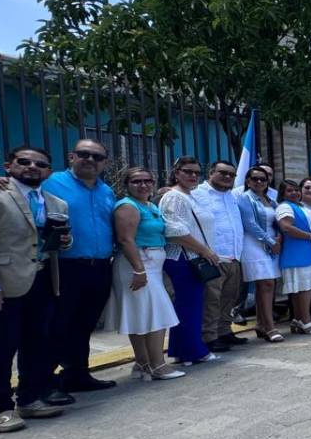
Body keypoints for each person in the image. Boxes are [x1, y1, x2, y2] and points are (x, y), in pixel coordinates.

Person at [0, 146, 70, 431]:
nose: (32, 166)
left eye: (41, 164)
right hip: (5, 283)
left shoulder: (56, 203)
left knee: (37, 343)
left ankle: (29, 399)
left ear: (48, 171)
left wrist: (63, 241)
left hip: (43, 278)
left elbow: (52, 240)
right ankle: (1, 408)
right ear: (9, 166)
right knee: (2, 346)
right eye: (24, 161)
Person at [40, 138, 118, 396]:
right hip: (65, 267)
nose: (90, 160)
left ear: (105, 163)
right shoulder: (50, 183)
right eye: (85, 154)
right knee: (58, 325)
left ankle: (77, 375)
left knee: (85, 324)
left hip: (100, 267)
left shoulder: (106, 191)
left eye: (97, 157)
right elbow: (17, 190)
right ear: (72, 156)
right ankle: (43, 383)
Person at [111, 166, 185, 381]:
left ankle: (143, 363)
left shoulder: (149, 205)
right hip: (138, 265)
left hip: (150, 266)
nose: (143, 185)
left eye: (147, 180)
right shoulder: (127, 206)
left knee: (143, 314)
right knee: (156, 315)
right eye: (136, 181)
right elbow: (126, 239)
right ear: (126, 185)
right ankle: (157, 365)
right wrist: (139, 269)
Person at [159, 157, 222, 366]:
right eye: (188, 171)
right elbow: (173, 231)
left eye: (196, 172)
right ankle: (193, 351)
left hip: (193, 257)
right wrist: (205, 251)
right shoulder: (175, 197)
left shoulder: (191, 196)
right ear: (176, 173)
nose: (193, 176)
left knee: (189, 306)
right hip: (183, 258)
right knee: (189, 307)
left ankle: (182, 350)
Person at [192, 159, 246, 353]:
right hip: (213, 257)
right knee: (211, 300)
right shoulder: (197, 194)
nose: (227, 177)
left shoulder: (232, 196)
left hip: (234, 256)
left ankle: (224, 331)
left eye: (231, 175)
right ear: (211, 173)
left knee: (229, 298)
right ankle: (209, 336)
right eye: (223, 173)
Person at [276, 177, 311, 336]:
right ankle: (306, 321)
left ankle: (298, 319)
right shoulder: (285, 207)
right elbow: (286, 227)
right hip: (298, 253)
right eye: (289, 190)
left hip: (309, 254)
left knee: (302, 288)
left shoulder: (301, 207)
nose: (294, 192)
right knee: (303, 289)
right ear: (283, 193)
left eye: (295, 190)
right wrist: (309, 236)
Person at [237, 166, 283, 343]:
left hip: (272, 244)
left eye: (262, 179)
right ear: (247, 181)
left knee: (265, 286)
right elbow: (250, 223)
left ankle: (261, 324)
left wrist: (277, 239)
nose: (259, 182)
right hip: (254, 244)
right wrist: (271, 242)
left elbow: (276, 222)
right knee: (266, 283)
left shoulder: (270, 200)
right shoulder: (245, 198)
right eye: (254, 178)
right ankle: (270, 327)